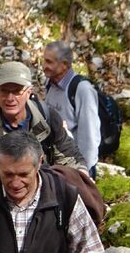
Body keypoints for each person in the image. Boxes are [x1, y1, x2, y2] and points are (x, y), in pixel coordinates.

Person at [0, 61, 89, 174]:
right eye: (4, 91)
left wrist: (81, 176)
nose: (10, 98)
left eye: (17, 91)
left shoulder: (47, 118)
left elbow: (70, 157)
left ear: (29, 92)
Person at [43, 40, 101, 178]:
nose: (44, 66)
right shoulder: (50, 85)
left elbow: (90, 136)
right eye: (44, 60)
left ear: (64, 65)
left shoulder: (82, 89)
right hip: (56, 164)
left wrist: (84, 171)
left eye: (49, 62)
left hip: (77, 166)